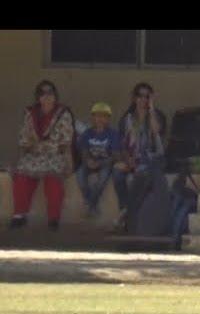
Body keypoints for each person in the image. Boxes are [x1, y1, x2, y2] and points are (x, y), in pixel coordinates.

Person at [9, 80, 74, 230]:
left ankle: (53, 218)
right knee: (21, 176)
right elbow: (24, 139)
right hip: (35, 154)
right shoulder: (30, 114)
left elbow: (66, 141)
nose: (46, 96)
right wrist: (20, 160)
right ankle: (19, 215)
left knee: (53, 180)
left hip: (54, 155)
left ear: (55, 95)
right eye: (42, 93)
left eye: (50, 92)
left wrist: (69, 162)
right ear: (38, 97)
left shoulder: (62, 114)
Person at [112, 82, 168, 232]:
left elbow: (157, 131)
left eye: (146, 96)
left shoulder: (157, 115)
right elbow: (122, 143)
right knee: (117, 173)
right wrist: (127, 160)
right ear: (134, 98)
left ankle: (128, 214)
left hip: (153, 159)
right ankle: (124, 208)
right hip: (132, 158)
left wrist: (151, 110)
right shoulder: (127, 119)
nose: (143, 99)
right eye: (140, 96)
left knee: (140, 174)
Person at [75, 102, 121, 217]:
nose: (100, 119)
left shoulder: (113, 134)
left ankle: (90, 205)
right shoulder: (87, 133)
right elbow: (84, 151)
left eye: (104, 116)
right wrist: (88, 161)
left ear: (108, 119)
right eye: (97, 115)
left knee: (102, 180)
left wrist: (100, 163)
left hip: (106, 162)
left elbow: (115, 155)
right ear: (92, 118)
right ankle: (90, 202)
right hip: (89, 162)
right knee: (80, 176)